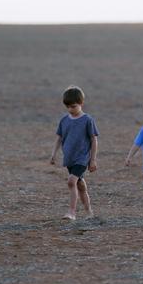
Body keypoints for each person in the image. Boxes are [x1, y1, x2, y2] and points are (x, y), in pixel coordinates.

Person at [50, 86, 99, 220]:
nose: (71, 109)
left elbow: (94, 139)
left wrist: (93, 159)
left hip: (82, 158)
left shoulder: (87, 120)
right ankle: (89, 211)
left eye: (74, 106)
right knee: (80, 185)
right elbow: (59, 138)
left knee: (71, 182)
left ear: (81, 103)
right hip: (69, 158)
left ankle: (72, 212)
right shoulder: (64, 120)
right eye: (68, 107)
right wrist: (53, 154)